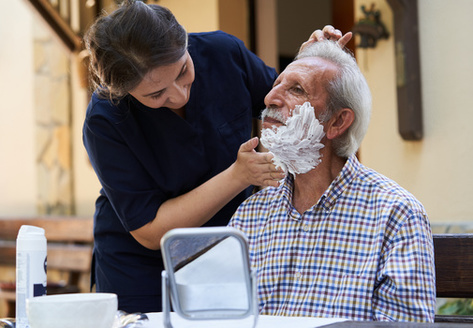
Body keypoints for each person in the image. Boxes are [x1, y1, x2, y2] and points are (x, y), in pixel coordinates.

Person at [82, 0, 349, 313]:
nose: (180, 94)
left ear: (185, 42)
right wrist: (237, 176)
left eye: (183, 71)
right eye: (156, 95)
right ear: (124, 92)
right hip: (142, 273)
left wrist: (307, 66)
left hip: (227, 252)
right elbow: (151, 230)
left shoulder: (223, 54)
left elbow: (282, 106)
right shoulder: (106, 120)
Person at [228, 40, 436, 322]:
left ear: (337, 122)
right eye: (275, 85)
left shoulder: (395, 214)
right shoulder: (251, 215)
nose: (269, 99)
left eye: (296, 89)